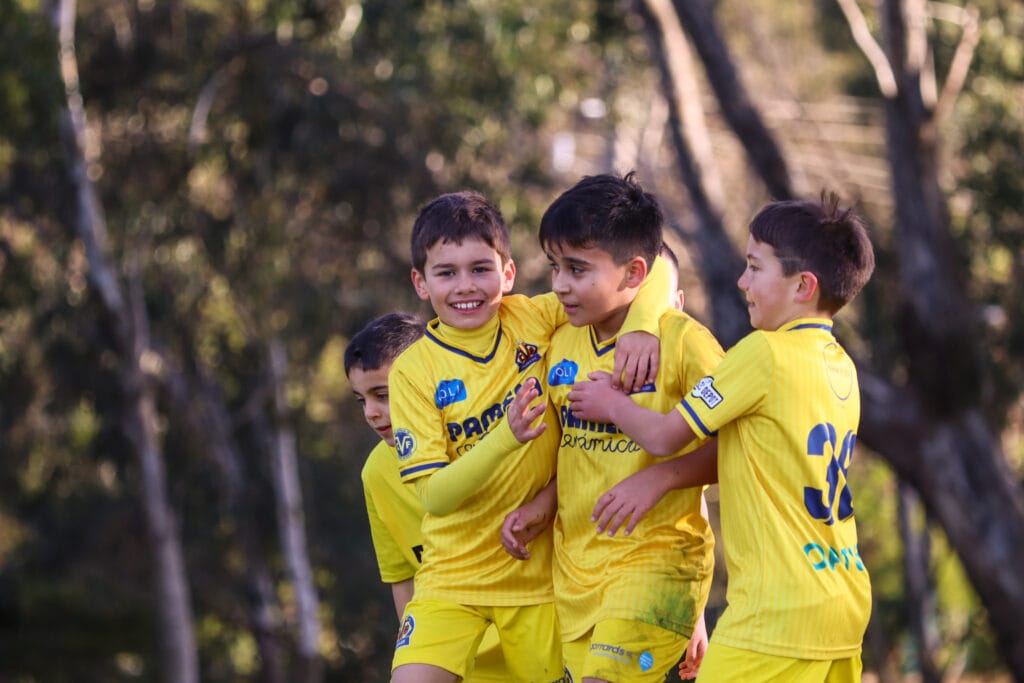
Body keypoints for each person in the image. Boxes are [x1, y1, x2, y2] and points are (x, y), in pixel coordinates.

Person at [568, 194, 875, 683]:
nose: (742, 282)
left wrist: (612, 406)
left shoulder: (764, 353)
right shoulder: (841, 366)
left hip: (776, 614)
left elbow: (668, 436)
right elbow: (739, 453)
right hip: (843, 598)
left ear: (803, 286)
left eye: (754, 268)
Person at [387, 190, 670, 683]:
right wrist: (505, 437)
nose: (465, 286)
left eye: (480, 268)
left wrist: (643, 326)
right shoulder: (413, 371)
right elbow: (433, 495)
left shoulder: (535, 318)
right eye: (445, 273)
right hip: (450, 580)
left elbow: (657, 264)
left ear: (509, 273)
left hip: (540, 585)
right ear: (419, 282)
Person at [504, 173, 725, 683]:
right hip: (576, 576)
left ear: (634, 274)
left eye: (578, 269)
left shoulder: (686, 344)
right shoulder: (560, 340)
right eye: (555, 266)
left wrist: (659, 477)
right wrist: (542, 506)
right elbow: (577, 458)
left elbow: (738, 446)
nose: (560, 284)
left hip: (656, 563)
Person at [344, 312, 507, 681]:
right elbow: (403, 579)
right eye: (361, 400)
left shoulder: (489, 433)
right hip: (464, 660)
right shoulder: (376, 473)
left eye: (382, 395)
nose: (371, 413)